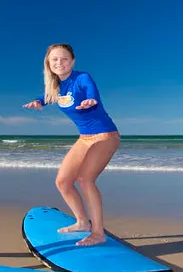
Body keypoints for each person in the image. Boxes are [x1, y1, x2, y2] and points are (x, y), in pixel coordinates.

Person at [22, 44, 120, 246]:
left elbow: (91, 91)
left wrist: (91, 100)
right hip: (84, 138)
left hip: (105, 135)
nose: (60, 63)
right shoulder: (55, 87)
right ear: (48, 64)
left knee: (85, 179)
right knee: (63, 181)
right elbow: (46, 97)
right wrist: (37, 101)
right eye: (54, 60)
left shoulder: (82, 78)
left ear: (72, 61)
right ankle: (82, 222)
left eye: (64, 59)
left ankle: (98, 233)